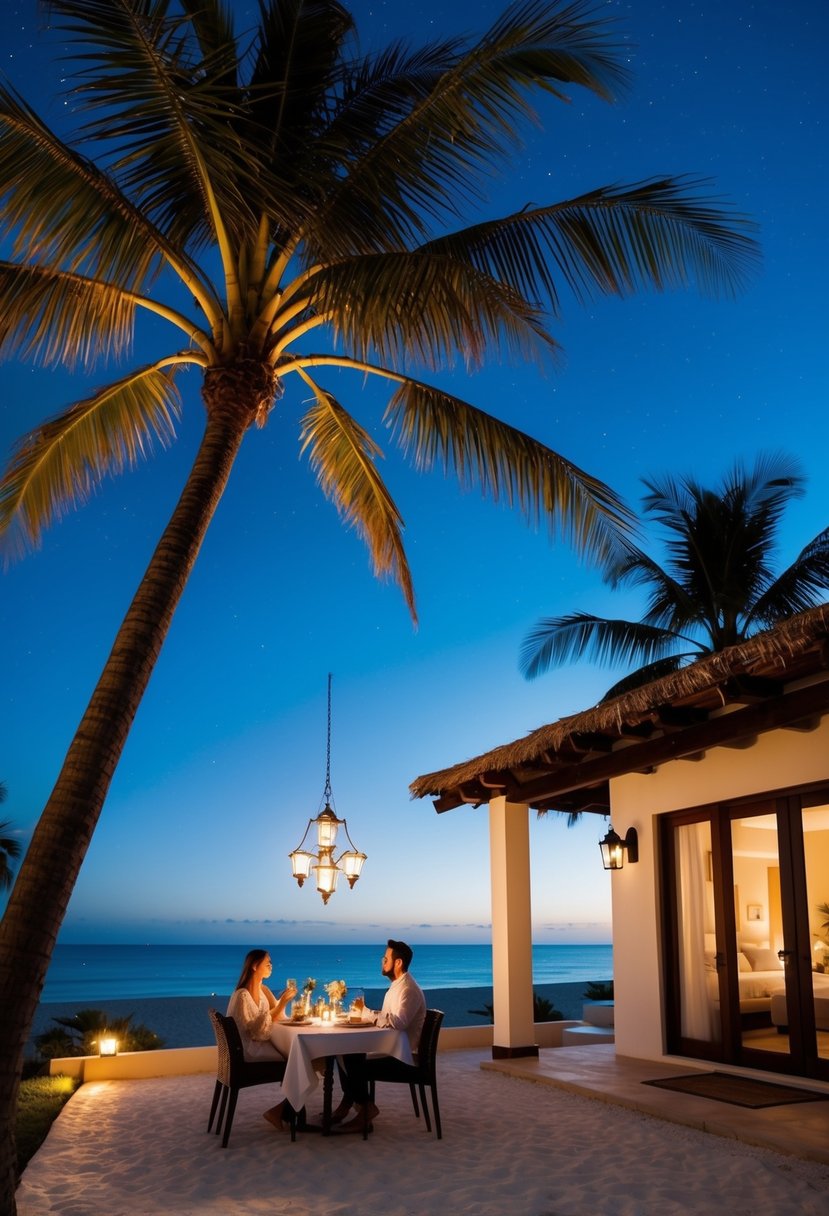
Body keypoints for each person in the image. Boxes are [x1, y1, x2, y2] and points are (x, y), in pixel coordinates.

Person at [332, 939, 426, 1133]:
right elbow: (386, 1019)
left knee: (351, 1056)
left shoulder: (408, 989)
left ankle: (365, 1108)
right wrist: (365, 1014)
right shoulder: (396, 986)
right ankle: (350, 1101)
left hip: (402, 1056)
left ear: (398, 963)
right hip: (390, 1047)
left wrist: (366, 1013)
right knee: (343, 1050)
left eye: (385, 959)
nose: (382, 962)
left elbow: (397, 1023)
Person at [226, 948, 297, 1129]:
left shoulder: (263, 990)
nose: (271, 966)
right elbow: (257, 1032)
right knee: (298, 1060)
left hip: (258, 1043)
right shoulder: (242, 995)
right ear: (255, 966)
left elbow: (279, 1017)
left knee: (299, 1058)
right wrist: (282, 1003)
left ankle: (288, 1112)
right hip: (249, 1051)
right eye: (268, 963)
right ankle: (282, 1112)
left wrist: (289, 1008)